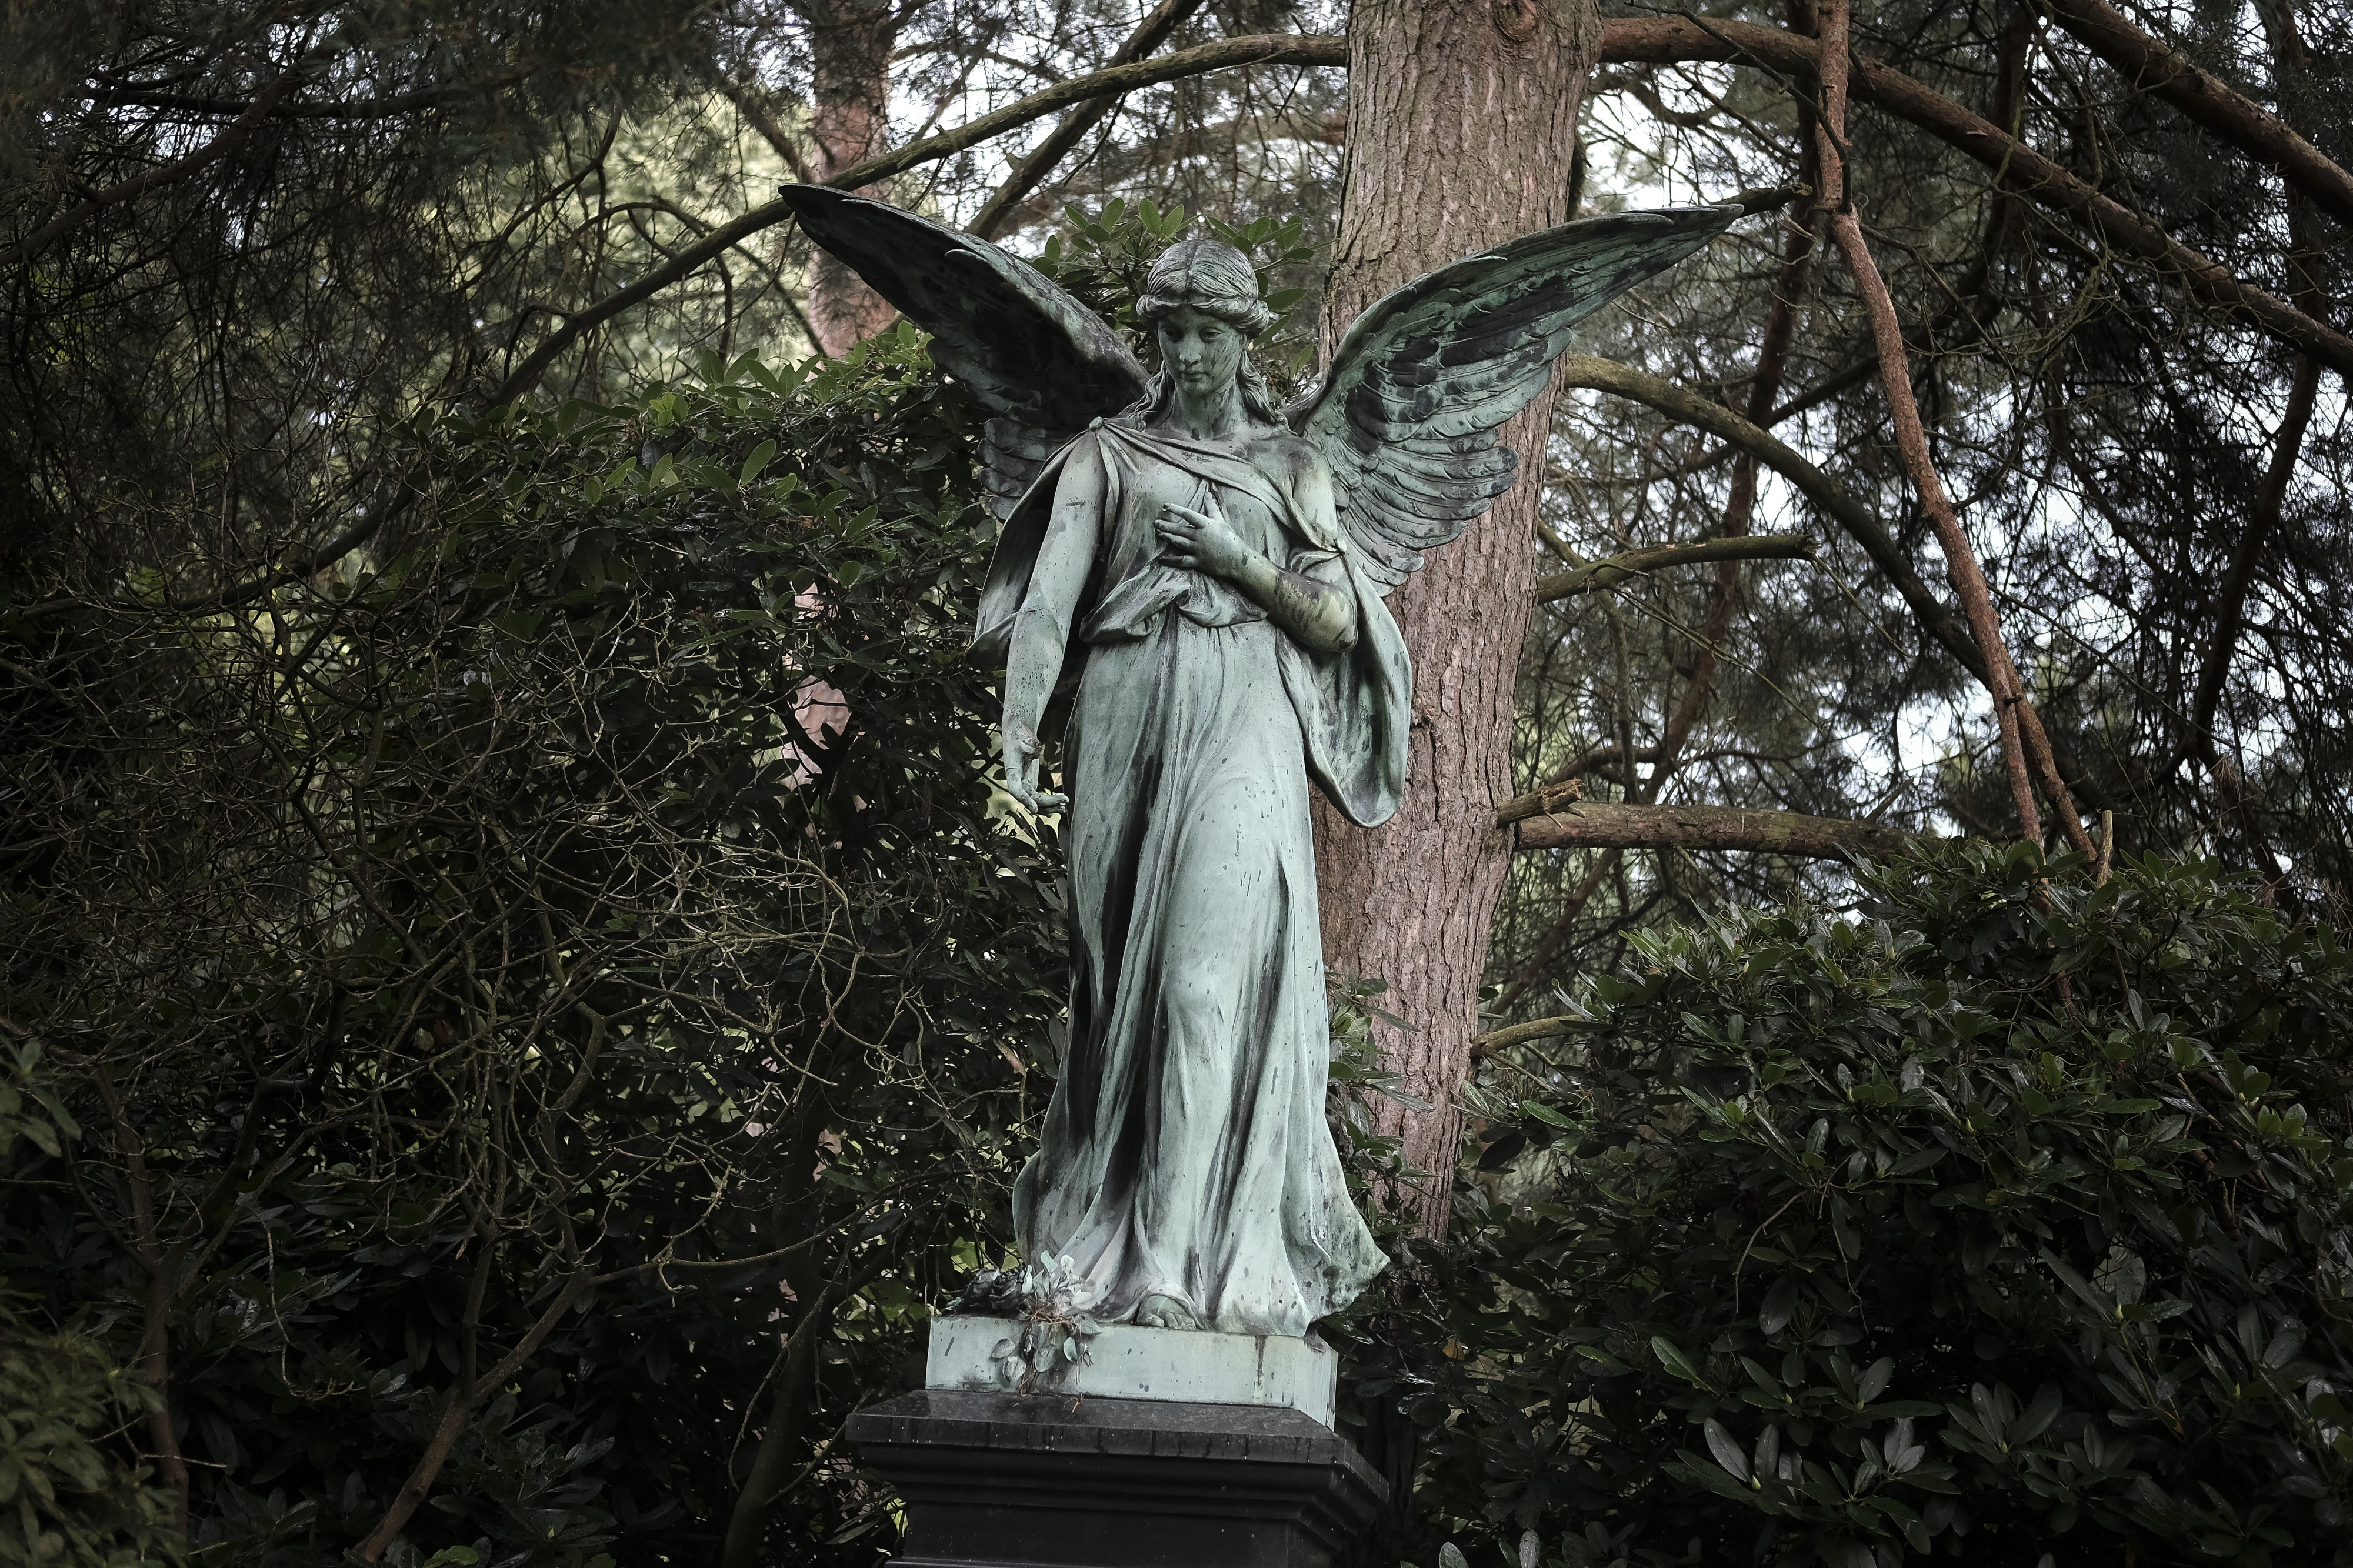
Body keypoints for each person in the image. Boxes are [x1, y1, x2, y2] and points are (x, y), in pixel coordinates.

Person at [989, 238, 1405, 1336]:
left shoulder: (1290, 467)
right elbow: (1047, 604)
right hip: (1127, 712)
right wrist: (1019, 735)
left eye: (1211, 332)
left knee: (1201, 990)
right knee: (1109, 995)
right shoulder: (1107, 455)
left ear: (1245, 338)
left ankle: (1178, 1263)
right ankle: (1107, 1234)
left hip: (1247, 716)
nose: (1190, 352)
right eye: (1172, 331)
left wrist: (1236, 561)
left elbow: (1335, 620)